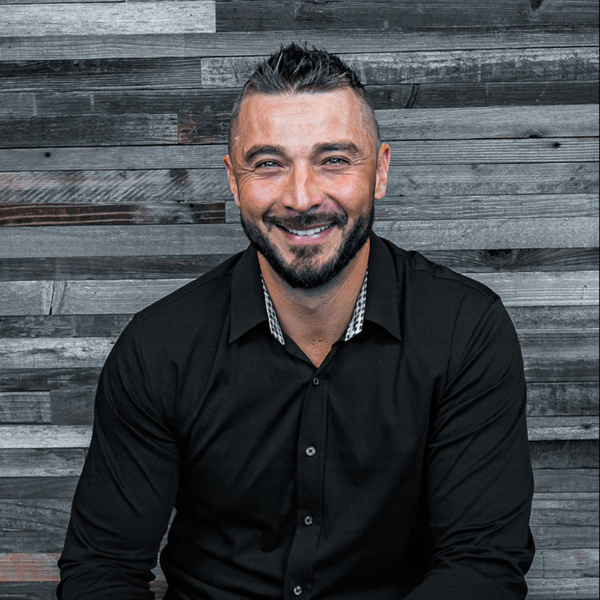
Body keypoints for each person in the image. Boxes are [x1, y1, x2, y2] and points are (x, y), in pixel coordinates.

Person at [58, 44, 535, 599]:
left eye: (333, 160)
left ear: (380, 171)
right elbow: (102, 571)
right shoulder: (158, 349)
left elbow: (481, 566)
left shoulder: (465, 332)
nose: (302, 197)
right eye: (269, 164)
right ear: (233, 180)